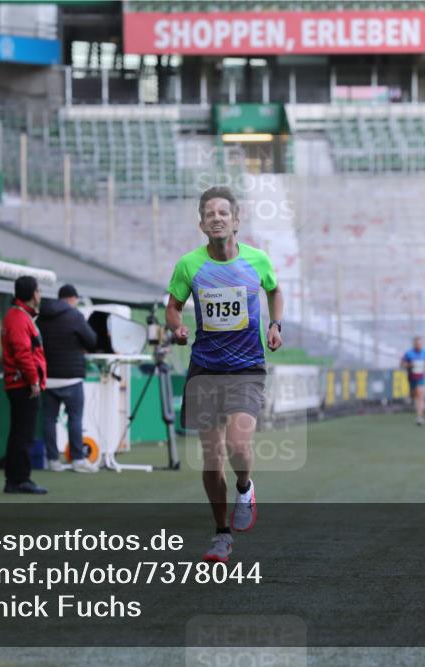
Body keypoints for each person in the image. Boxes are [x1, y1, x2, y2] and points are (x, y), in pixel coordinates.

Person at [165, 186, 283, 563]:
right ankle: (221, 534)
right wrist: (176, 328)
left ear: (236, 219)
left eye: (223, 212)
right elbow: (172, 306)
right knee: (211, 459)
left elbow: (275, 291)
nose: (216, 218)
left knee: (237, 446)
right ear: (202, 223)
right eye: (209, 213)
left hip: (247, 368)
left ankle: (245, 487)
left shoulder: (257, 260)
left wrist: (276, 324)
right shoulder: (189, 265)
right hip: (205, 369)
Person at [37, 283, 98, 474]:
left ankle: (52, 460)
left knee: (49, 420)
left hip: (48, 377)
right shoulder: (75, 316)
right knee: (75, 419)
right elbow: (92, 340)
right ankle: (78, 460)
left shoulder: (42, 317)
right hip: (71, 378)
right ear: (73, 299)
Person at [0, 276, 48, 494]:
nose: (40, 294)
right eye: (38, 290)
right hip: (23, 385)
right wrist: (33, 381)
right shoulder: (19, 319)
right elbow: (23, 353)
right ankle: (20, 480)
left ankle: (14, 480)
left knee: (19, 433)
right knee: (23, 435)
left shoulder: (18, 316)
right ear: (32, 294)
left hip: (19, 383)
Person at [401, 337, 425, 426]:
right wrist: (410, 364)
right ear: (414, 344)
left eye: (420, 344)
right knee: (414, 395)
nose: (419, 345)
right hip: (411, 378)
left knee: (420, 395)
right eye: (417, 344)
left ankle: (420, 417)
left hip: (421, 377)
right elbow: (402, 364)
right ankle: (412, 398)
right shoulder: (409, 353)